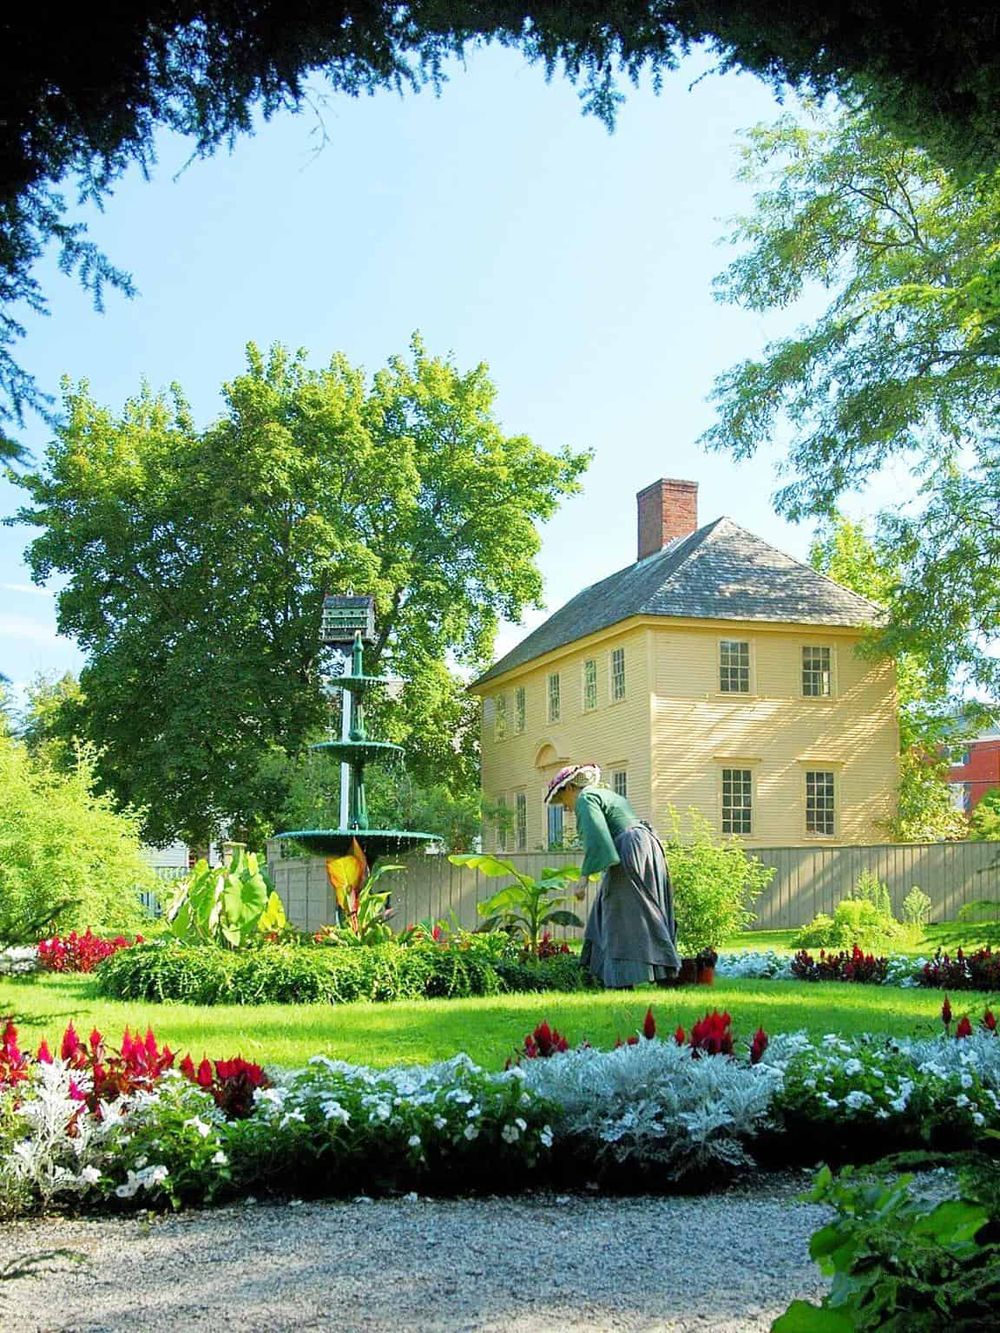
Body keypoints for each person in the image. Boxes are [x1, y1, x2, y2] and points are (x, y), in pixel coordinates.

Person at [545, 763, 680, 988]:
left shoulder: (586, 799)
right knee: (622, 908)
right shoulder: (603, 794)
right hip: (645, 846)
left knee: (621, 913)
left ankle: (623, 979)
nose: (566, 809)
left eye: (562, 802)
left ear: (569, 788)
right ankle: (642, 973)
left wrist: (583, 879)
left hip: (629, 848)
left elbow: (596, 838)